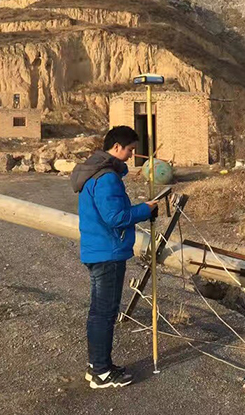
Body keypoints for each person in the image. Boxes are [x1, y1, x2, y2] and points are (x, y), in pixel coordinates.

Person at [71, 126, 158, 389]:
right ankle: (101, 372)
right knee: (104, 313)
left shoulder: (94, 172)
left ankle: (97, 366)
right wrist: (145, 210)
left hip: (99, 250)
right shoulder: (107, 177)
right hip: (107, 253)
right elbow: (115, 217)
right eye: (130, 149)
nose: (131, 155)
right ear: (117, 147)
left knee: (100, 311)